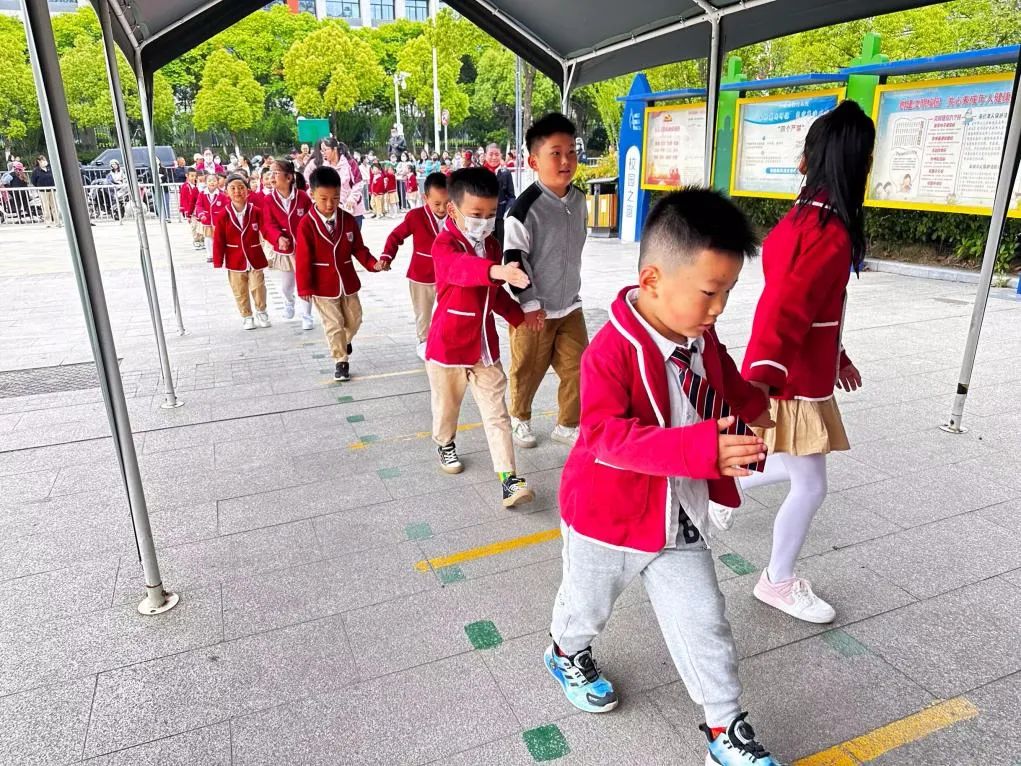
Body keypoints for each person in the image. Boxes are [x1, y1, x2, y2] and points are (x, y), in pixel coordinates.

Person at [544, 188, 779, 766]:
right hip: (608, 519)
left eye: (727, 292)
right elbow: (604, 437)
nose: (719, 307)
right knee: (585, 606)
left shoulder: (700, 336)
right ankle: (565, 651)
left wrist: (757, 403)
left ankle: (724, 729)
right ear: (652, 280)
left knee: (706, 623)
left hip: (677, 519)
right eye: (709, 292)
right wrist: (703, 449)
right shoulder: (609, 351)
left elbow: (720, 377)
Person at [724, 101, 876, 625]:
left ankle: (719, 491)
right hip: (789, 377)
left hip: (796, 370)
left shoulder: (805, 220)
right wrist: (761, 382)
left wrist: (838, 355)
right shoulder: (825, 233)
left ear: (812, 160)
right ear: (855, 164)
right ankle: (777, 580)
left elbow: (815, 309)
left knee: (786, 460)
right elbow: (783, 310)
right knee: (810, 484)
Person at [425, 167, 534, 508]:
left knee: (496, 413)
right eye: (476, 215)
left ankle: (508, 480)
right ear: (452, 209)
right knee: (447, 408)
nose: (484, 222)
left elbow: (495, 295)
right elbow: (460, 269)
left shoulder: (491, 244)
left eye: (490, 215)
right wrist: (497, 271)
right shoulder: (443, 244)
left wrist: (520, 316)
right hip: (448, 347)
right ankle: (445, 442)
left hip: (484, 348)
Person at [503, 113, 589, 449]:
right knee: (527, 369)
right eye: (555, 153)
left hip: (569, 305)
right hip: (533, 310)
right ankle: (519, 418)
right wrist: (530, 304)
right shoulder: (523, 209)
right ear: (533, 161)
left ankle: (568, 424)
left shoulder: (579, 199)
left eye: (571, 151)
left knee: (580, 368)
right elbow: (514, 260)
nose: (566, 160)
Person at [295, 166, 385, 382]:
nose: (329, 204)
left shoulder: (348, 219)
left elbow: (359, 249)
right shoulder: (306, 224)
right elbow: (303, 258)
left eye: (335, 198)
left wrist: (374, 264)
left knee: (355, 319)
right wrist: (304, 287)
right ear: (312, 194)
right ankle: (340, 361)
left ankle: (345, 340)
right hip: (322, 284)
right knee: (334, 323)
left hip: (347, 281)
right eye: (323, 198)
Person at [381, 172, 448, 360]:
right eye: (437, 204)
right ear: (425, 198)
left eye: (447, 202)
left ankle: (444, 340)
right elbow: (395, 236)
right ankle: (423, 341)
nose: (442, 208)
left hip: (448, 275)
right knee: (423, 313)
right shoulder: (415, 216)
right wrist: (387, 256)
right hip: (421, 275)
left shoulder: (456, 216)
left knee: (447, 309)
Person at [212, 173, 271, 331]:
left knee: (258, 286)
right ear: (226, 192)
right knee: (240, 290)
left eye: (241, 188)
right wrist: (218, 260)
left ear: (248, 191)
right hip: (234, 260)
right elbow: (218, 239)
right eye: (233, 188)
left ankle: (261, 311)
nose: (237, 191)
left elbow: (266, 229)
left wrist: (277, 240)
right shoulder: (223, 215)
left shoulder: (256, 211)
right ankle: (247, 316)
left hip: (255, 257)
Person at [263, 159, 314, 329]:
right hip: (284, 250)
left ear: (289, 177)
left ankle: (307, 316)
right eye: (270, 173)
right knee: (286, 286)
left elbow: (311, 220)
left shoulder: (303, 197)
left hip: (303, 248)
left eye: (276, 173)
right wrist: (278, 238)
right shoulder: (269, 200)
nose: (272, 177)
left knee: (304, 282)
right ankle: (288, 302)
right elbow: (268, 224)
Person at [482, 143, 515, 244]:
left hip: (501, 217)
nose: (494, 157)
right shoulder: (479, 173)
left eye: (497, 154)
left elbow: (511, 196)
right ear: (485, 155)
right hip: (484, 218)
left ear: (501, 155)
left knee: (500, 245)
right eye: (491, 154)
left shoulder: (506, 173)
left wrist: (507, 211)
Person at [195, 172, 227, 263]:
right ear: (206, 182)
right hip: (207, 219)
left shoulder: (222, 194)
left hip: (219, 220)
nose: (212, 183)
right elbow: (199, 205)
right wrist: (201, 214)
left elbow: (226, 206)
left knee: (219, 238)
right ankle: (210, 254)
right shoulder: (202, 194)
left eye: (214, 181)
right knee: (208, 237)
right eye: (209, 181)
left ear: (218, 182)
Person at [337, 142, 365, 229]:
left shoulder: (351, 163)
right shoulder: (328, 165)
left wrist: (352, 199)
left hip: (353, 207)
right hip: (338, 208)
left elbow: (358, 182)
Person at [31, 155, 58, 227]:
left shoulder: (50, 168)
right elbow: (33, 181)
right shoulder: (36, 171)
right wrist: (39, 186)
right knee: (45, 206)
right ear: (39, 161)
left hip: (52, 189)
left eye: (44, 159)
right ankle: (48, 221)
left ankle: (57, 221)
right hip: (43, 191)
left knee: (54, 206)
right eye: (42, 160)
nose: (44, 161)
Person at [179, 169, 203, 250]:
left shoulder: (198, 185)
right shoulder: (185, 186)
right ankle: (196, 240)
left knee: (200, 224)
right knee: (194, 225)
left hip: (198, 208)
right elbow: (183, 199)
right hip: (191, 209)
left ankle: (201, 239)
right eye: (192, 176)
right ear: (187, 176)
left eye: (195, 176)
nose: (193, 178)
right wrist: (185, 210)